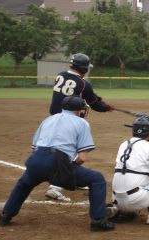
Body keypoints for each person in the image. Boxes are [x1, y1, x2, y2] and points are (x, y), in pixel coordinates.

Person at [0, 96, 115, 232]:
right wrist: (68, 168)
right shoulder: (81, 123)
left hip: (36, 159)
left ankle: (5, 216)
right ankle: (98, 221)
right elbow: (82, 158)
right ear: (79, 110)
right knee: (96, 179)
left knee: (24, 184)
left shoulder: (48, 120)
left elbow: (34, 148)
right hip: (57, 162)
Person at [46, 53, 114, 201]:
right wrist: (106, 107)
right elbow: (94, 103)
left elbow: (84, 93)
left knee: (70, 148)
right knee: (68, 151)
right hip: (68, 121)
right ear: (83, 68)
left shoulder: (60, 75)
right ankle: (55, 187)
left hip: (54, 119)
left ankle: (73, 178)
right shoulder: (84, 84)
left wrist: (98, 99)